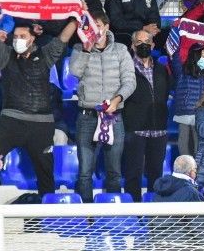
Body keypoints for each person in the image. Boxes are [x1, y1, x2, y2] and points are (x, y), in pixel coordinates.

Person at [0, 10, 79, 206]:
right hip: (11, 120)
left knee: (45, 169)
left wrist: (76, 15)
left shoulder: (46, 54)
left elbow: (64, 37)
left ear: (33, 38)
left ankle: (47, 206)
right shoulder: (5, 55)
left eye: (22, 36)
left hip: (41, 123)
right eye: (15, 37)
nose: (18, 40)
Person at [69, 14, 135, 205]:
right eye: (90, 26)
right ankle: (87, 214)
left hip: (113, 116)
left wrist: (117, 99)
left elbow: (130, 81)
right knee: (84, 172)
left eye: (97, 25)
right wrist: (86, 50)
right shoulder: (79, 48)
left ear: (106, 26)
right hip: (87, 116)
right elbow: (74, 72)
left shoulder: (121, 50)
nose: (94, 30)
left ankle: (111, 212)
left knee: (114, 170)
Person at [121, 30, 172, 202]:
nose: (143, 45)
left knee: (156, 175)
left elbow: (164, 94)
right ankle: (134, 214)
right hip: (135, 129)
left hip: (159, 129)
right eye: (139, 42)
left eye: (147, 41)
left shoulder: (161, 69)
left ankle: (154, 215)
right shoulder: (126, 68)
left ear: (153, 45)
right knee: (132, 174)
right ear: (133, 46)